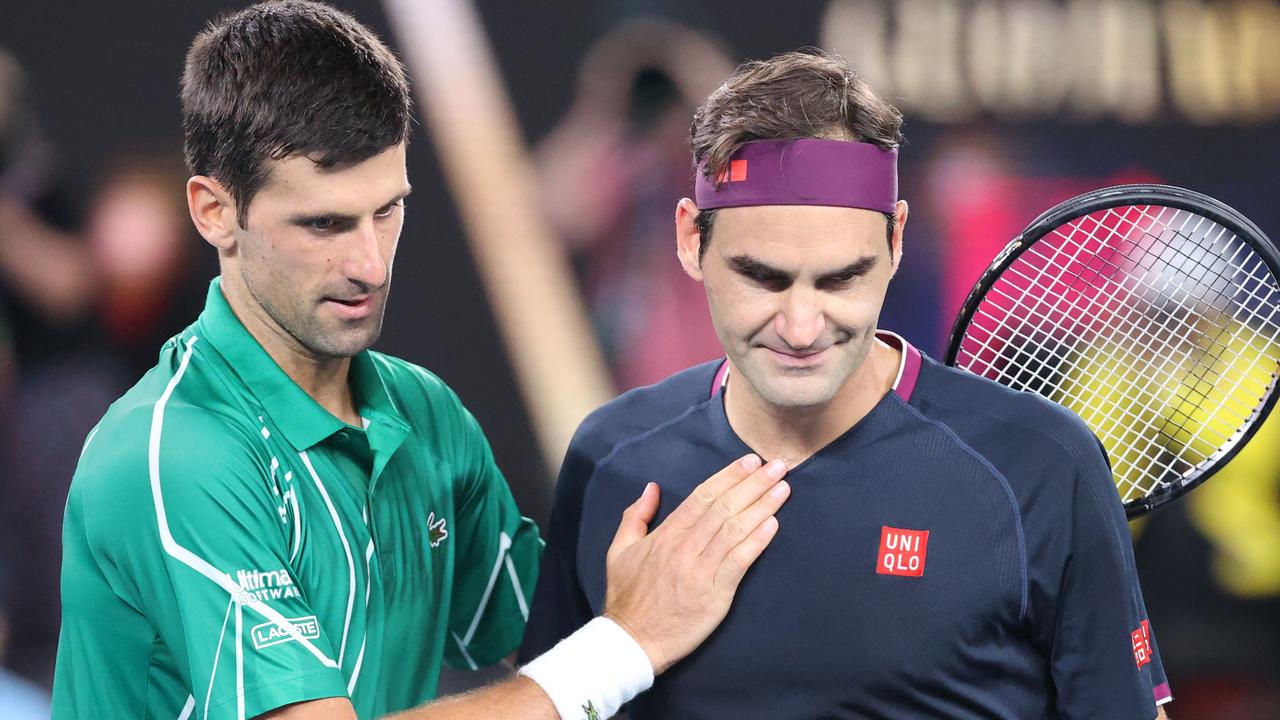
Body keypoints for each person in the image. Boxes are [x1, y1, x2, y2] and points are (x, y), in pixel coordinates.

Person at [50, 3, 790, 719]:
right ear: (215, 212)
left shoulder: (424, 417)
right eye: (324, 224)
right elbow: (603, 655)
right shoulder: (172, 457)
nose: (369, 265)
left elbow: (563, 635)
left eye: (387, 210)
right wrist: (625, 644)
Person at [521, 50, 1175, 719]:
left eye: (841, 278)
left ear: (895, 240)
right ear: (691, 239)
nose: (802, 327)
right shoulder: (610, 456)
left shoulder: (1042, 462)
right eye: (763, 277)